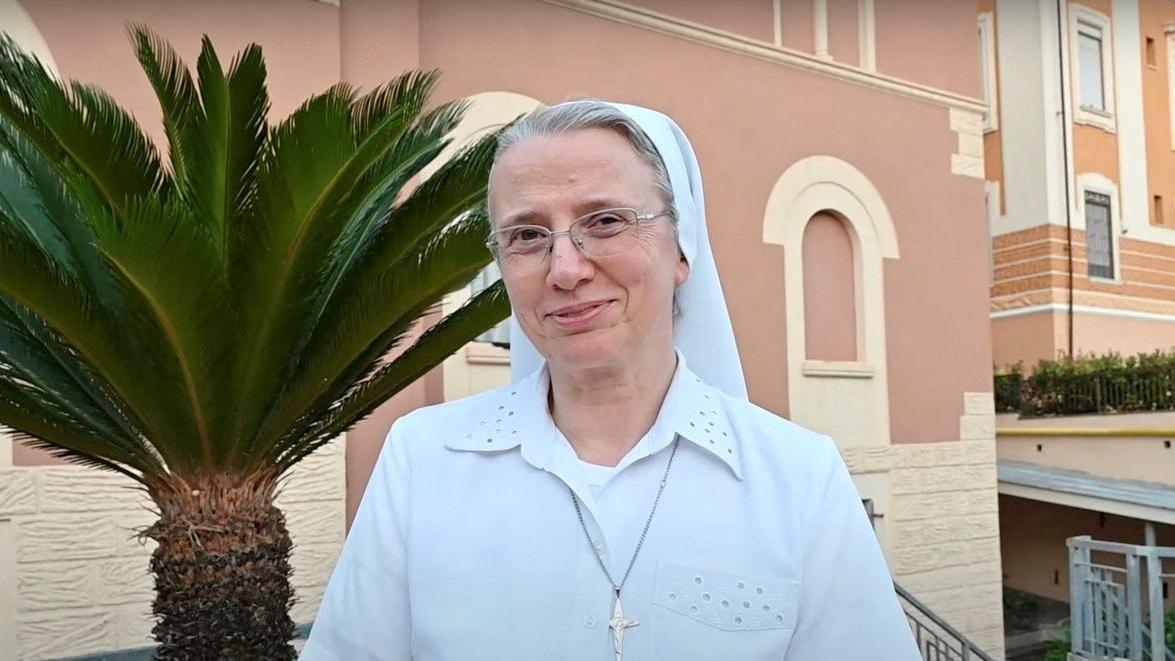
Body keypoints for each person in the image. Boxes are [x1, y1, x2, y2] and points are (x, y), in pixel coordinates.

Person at [300, 100, 921, 660]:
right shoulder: (423, 459)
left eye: (604, 221)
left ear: (683, 249)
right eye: (527, 235)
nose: (566, 269)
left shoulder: (800, 476)